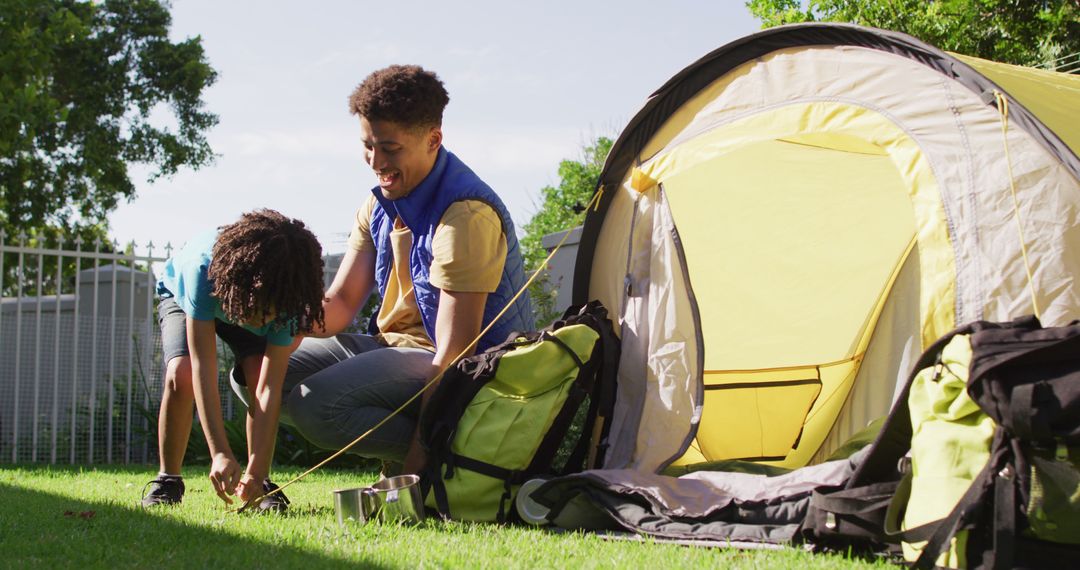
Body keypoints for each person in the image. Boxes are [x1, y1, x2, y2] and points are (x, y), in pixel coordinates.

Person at [283, 64, 533, 475]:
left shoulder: (465, 213)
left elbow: (455, 354)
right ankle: (436, 450)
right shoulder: (377, 204)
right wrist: (278, 323)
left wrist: (417, 465)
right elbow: (342, 303)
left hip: (466, 370)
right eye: (367, 146)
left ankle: (463, 460)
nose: (375, 161)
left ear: (433, 140)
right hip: (395, 349)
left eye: (390, 148)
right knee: (255, 371)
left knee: (316, 404)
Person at [140, 209, 326, 511]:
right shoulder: (203, 273)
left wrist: (256, 469)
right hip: (186, 296)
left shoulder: (286, 301)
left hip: (243, 299)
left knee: (255, 374)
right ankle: (168, 479)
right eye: (263, 311)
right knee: (182, 373)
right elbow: (203, 366)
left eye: (272, 314)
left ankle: (261, 483)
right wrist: (220, 453)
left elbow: (268, 389)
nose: (265, 321)